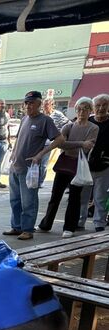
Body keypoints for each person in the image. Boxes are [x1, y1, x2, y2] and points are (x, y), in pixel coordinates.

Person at [33, 97, 98, 237]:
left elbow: (89, 147)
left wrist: (72, 143)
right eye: (80, 108)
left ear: (90, 111)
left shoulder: (93, 128)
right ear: (76, 110)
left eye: (86, 108)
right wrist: (81, 143)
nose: (82, 111)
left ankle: (69, 227)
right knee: (55, 196)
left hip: (79, 166)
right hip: (64, 164)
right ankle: (46, 224)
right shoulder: (68, 126)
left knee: (74, 198)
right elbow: (60, 144)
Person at [3, 90, 60, 241]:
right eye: (27, 103)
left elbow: (59, 139)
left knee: (29, 201)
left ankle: (28, 229)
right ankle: (17, 227)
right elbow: (20, 139)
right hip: (16, 166)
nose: (28, 106)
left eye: (32, 103)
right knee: (15, 200)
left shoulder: (45, 121)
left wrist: (41, 154)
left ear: (39, 104)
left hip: (30, 169)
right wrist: (13, 154)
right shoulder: (24, 119)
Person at [85, 94, 109, 232]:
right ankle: (79, 221)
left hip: (104, 166)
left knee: (100, 196)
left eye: (104, 105)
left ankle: (99, 223)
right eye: (98, 105)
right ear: (93, 107)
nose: (101, 108)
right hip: (85, 165)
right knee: (82, 197)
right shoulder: (87, 121)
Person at [39, 98, 70, 188]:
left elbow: (68, 124)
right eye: (43, 104)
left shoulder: (58, 115)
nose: (44, 106)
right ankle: (35, 180)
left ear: (52, 105)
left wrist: (60, 135)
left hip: (49, 143)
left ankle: (40, 182)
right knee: (36, 162)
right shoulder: (41, 114)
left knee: (43, 164)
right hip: (38, 142)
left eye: (47, 104)